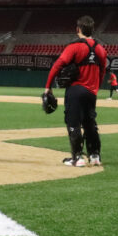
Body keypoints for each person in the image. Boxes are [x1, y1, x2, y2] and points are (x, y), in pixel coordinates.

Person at [43, 15, 108, 167]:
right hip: (91, 92)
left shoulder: (74, 46)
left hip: (76, 90)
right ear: (92, 29)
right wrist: (95, 87)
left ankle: (77, 158)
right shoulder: (100, 49)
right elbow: (102, 71)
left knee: (73, 123)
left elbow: (57, 65)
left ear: (78, 29)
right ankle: (95, 156)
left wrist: (48, 86)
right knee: (90, 123)